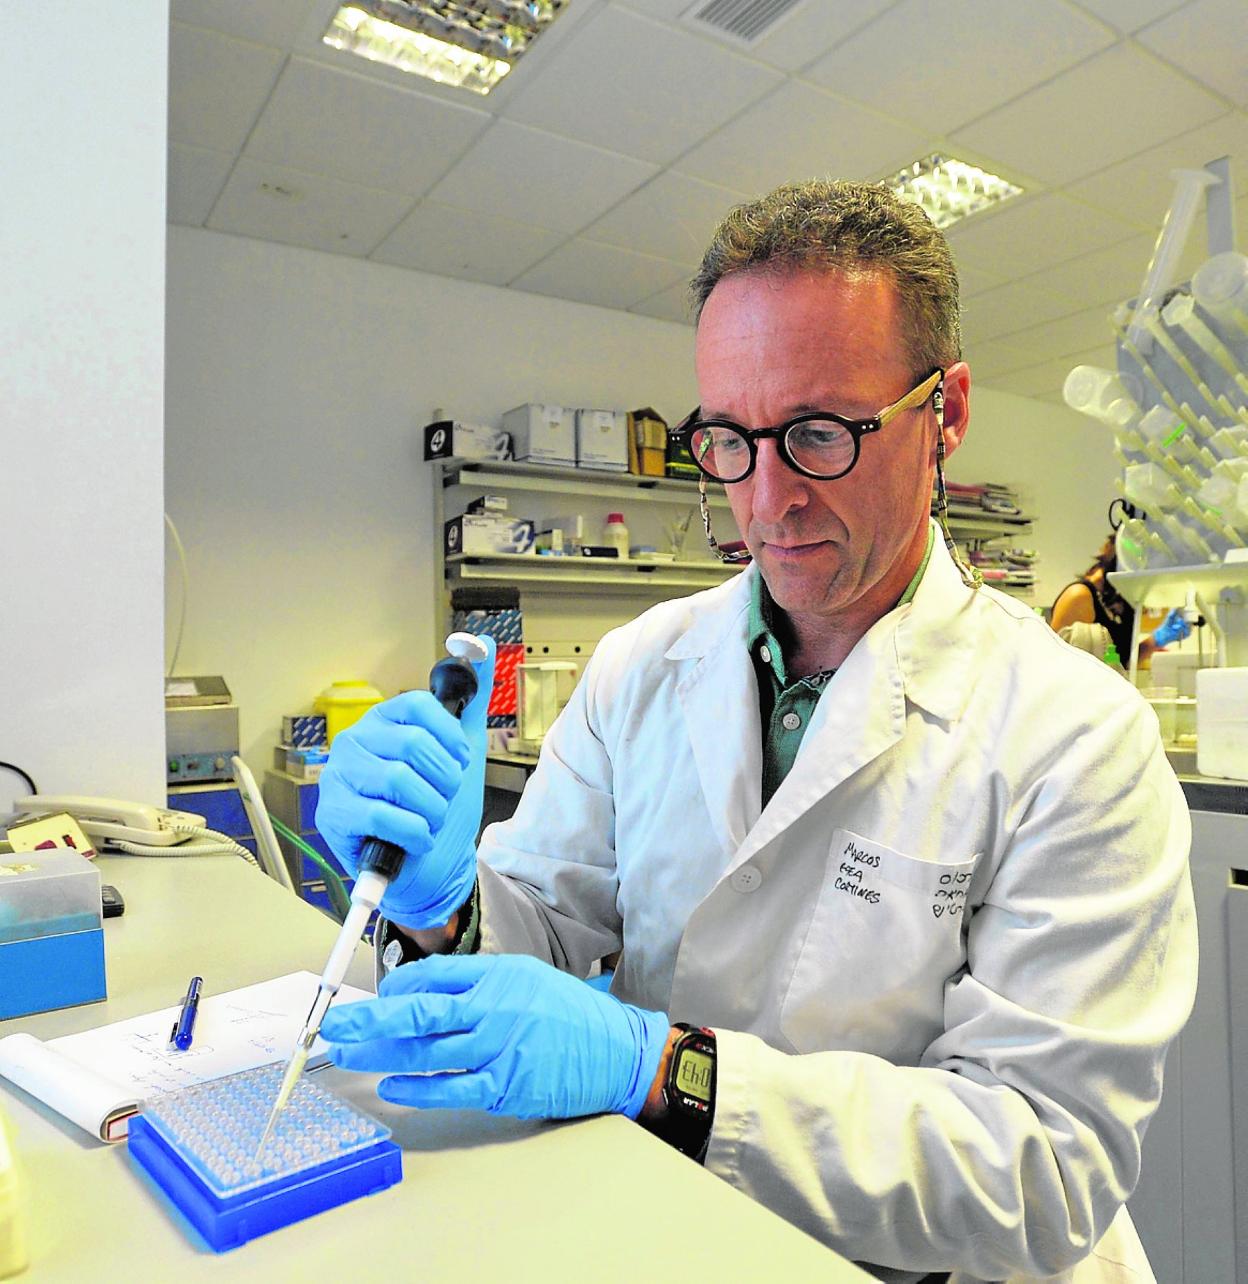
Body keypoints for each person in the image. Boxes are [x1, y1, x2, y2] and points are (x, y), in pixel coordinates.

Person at [313, 180, 1196, 1283]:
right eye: (728, 438)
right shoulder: (642, 666)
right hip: (668, 1229)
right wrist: (448, 908)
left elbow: (1041, 1172)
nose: (766, 499)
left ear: (947, 414)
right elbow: (547, 927)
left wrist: (660, 1071)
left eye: (820, 433)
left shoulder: (1078, 738)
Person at [1049, 531, 1190, 663]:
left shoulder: (1123, 602)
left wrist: (1157, 640)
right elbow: (1054, 663)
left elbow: (1122, 662)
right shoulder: (1079, 597)